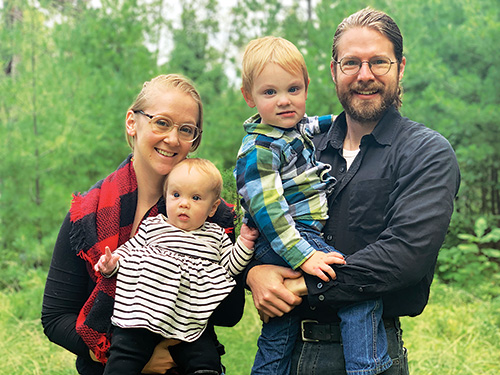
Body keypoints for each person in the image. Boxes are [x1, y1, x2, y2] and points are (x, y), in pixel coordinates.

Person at [245, 8, 461, 375]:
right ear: (334, 71)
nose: (365, 75)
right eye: (351, 63)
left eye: (379, 61)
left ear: (401, 67)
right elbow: (258, 215)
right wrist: (253, 273)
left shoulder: (426, 152)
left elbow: (405, 254)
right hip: (284, 351)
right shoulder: (296, 143)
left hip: (368, 353)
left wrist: (301, 286)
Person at [42, 74, 245, 375]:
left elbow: (230, 314)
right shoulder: (87, 213)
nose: (173, 139)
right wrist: (126, 357)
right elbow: (56, 317)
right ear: (132, 123)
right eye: (161, 122)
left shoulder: (215, 217)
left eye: (186, 129)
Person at [235, 36, 392, 375]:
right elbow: (268, 213)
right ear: (249, 96)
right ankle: (367, 368)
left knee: (282, 322)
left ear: (306, 87)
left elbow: (330, 123)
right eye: (269, 93)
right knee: (354, 287)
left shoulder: (291, 128)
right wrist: (304, 255)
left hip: (286, 241)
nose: (284, 102)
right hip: (286, 237)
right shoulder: (259, 148)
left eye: (293, 89)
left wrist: (359, 110)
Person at [94, 158, 258, 375]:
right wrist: (111, 264)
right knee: (124, 355)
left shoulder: (215, 236)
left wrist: (245, 243)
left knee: (205, 358)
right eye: (176, 195)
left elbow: (229, 267)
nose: (184, 203)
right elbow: (128, 252)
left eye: (196, 198)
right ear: (166, 197)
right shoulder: (153, 227)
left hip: (187, 319)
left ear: (213, 208)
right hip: (142, 314)